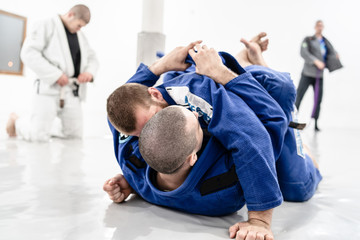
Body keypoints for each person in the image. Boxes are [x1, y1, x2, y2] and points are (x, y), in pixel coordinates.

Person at [104, 34, 321, 240]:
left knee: (174, 79)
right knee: (296, 184)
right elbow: (269, 122)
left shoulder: (131, 162)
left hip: (183, 82)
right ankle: (247, 64)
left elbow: (121, 98)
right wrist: (259, 219)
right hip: (244, 94)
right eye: (141, 134)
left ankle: (235, 62)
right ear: (192, 157)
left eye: (151, 121)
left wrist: (161, 66)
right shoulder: (227, 187)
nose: (151, 131)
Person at [6, 4, 99, 141]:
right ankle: (16, 121)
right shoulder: (45, 25)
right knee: (38, 137)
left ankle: (46, 130)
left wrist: (89, 73)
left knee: (74, 136)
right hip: (48, 88)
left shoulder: (80, 36)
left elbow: (93, 58)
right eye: (79, 25)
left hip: (71, 89)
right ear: (70, 15)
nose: (79, 29)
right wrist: (55, 74)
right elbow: (28, 53)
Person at [295, 20, 342, 131]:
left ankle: (315, 123)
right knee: (299, 96)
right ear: (315, 27)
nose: (320, 27)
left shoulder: (325, 41)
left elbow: (331, 50)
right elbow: (303, 52)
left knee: (318, 99)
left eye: (321, 26)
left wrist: (335, 55)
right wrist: (316, 61)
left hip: (319, 76)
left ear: (323, 27)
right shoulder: (308, 39)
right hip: (307, 74)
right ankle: (293, 120)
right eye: (318, 25)